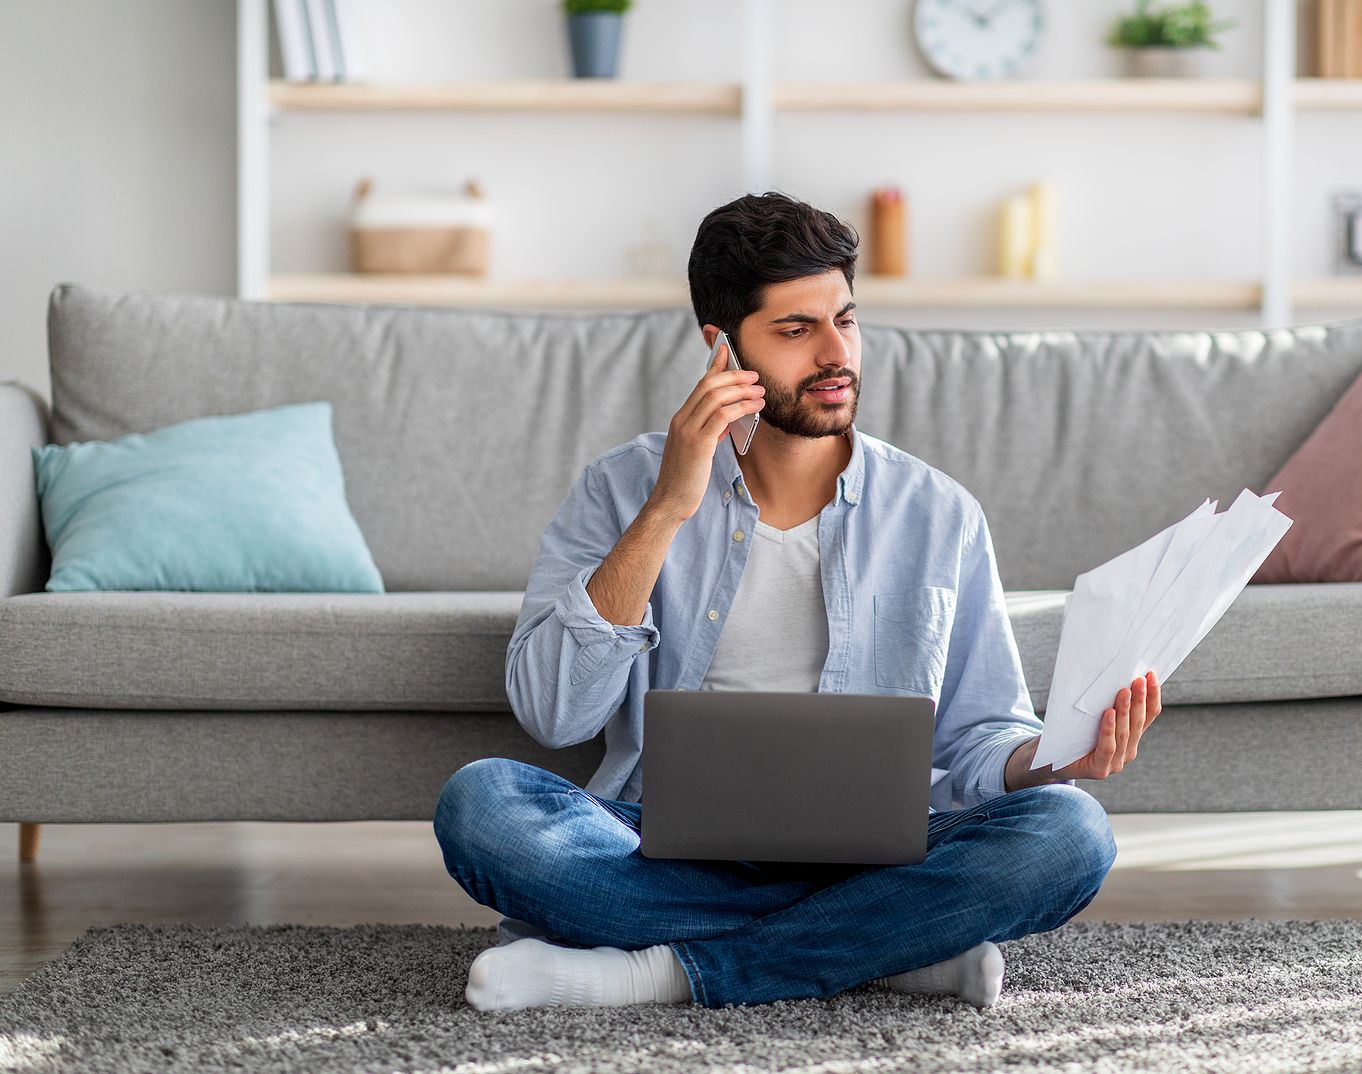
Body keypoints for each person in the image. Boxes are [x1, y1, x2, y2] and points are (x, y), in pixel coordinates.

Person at [433, 191, 1161, 1012]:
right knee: (483, 805)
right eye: (795, 330)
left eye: (845, 321)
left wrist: (1056, 758)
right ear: (721, 347)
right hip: (657, 844)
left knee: (1069, 832)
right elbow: (555, 714)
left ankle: (659, 970)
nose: (834, 353)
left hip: (878, 853)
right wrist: (670, 507)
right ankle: (891, 947)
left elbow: (982, 733)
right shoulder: (620, 490)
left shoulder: (937, 511)